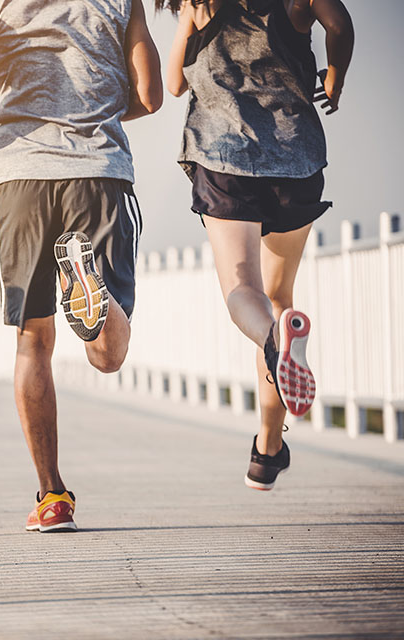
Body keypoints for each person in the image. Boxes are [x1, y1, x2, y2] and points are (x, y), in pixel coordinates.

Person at [0, 0, 162, 531]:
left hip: (20, 175)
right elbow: (150, 95)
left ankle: (51, 497)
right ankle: (91, 288)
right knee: (106, 356)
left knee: (32, 341)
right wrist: (98, 109)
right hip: (99, 170)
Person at [160, 0, 353, 489]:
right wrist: (335, 76)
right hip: (296, 160)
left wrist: (190, 20)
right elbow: (340, 25)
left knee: (245, 293)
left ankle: (274, 343)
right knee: (279, 300)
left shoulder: (198, 3)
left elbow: (174, 83)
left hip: (224, 160)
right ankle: (268, 450)